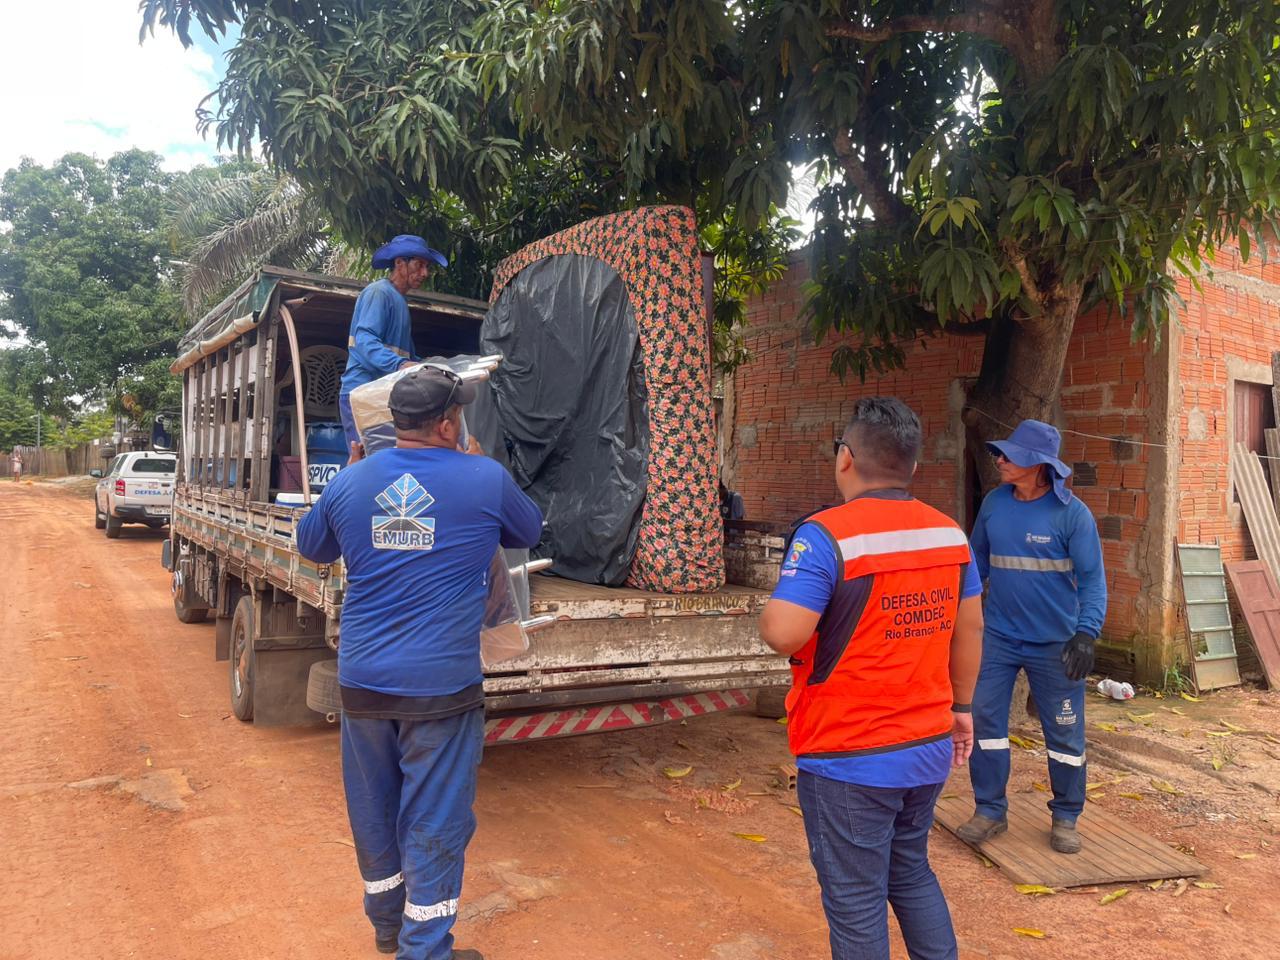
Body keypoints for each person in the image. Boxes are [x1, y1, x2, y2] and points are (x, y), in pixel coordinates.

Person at [297, 366, 543, 960]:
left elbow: (311, 545)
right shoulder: (483, 477)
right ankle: (425, 949)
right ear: (449, 424)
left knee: (374, 808)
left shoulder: (352, 482)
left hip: (363, 682)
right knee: (435, 817)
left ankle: (388, 926)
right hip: (440, 688)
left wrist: (351, 477)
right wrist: (481, 466)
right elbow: (528, 531)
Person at [758, 397, 984, 960]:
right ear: (912, 466)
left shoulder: (825, 536)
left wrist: (771, 604)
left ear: (845, 458)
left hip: (848, 753)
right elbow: (970, 629)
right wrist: (962, 709)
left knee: (856, 899)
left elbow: (784, 633)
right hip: (927, 744)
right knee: (910, 870)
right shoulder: (949, 536)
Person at [957, 419, 1106, 855]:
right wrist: (955, 613)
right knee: (984, 721)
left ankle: (1066, 816)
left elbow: (1093, 581)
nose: (1000, 460)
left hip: (1056, 644)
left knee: (1064, 732)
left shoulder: (1072, 515)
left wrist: (1086, 634)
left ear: (1038, 464)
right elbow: (975, 565)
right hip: (999, 639)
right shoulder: (994, 504)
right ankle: (989, 810)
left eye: (1010, 455)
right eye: (1002, 453)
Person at [338, 234, 450, 449]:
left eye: (427, 267)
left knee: (384, 460)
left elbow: (406, 355)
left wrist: (429, 366)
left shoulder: (398, 300)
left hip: (382, 394)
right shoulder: (379, 293)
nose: (425, 273)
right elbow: (365, 340)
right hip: (363, 393)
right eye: (419, 265)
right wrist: (400, 365)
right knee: (365, 459)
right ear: (399, 263)